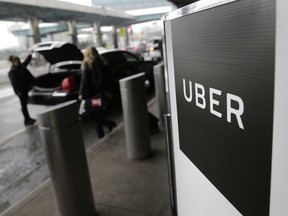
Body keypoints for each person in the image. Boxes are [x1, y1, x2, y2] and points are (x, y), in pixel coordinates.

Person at [78, 46, 116, 138]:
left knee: (94, 115)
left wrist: (81, 93)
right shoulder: (101, 62)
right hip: (100, 93)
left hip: (91, 94)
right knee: (97, 113)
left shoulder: (87, 64)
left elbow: (85, 80)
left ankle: (109, 124)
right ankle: (101, 134)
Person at [8, 54, 36, 126]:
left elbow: (27, 60)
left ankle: (28, 119)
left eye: (18, 60)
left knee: (25, 104)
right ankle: (26, 120)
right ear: (13, 62)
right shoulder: (12, 71)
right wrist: (18, 91)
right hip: (20, 91)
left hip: (25, 89)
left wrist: (30, 53)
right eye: (15, 61)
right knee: (23, 105)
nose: (17, 61)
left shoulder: (21, 67)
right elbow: (14, 83)